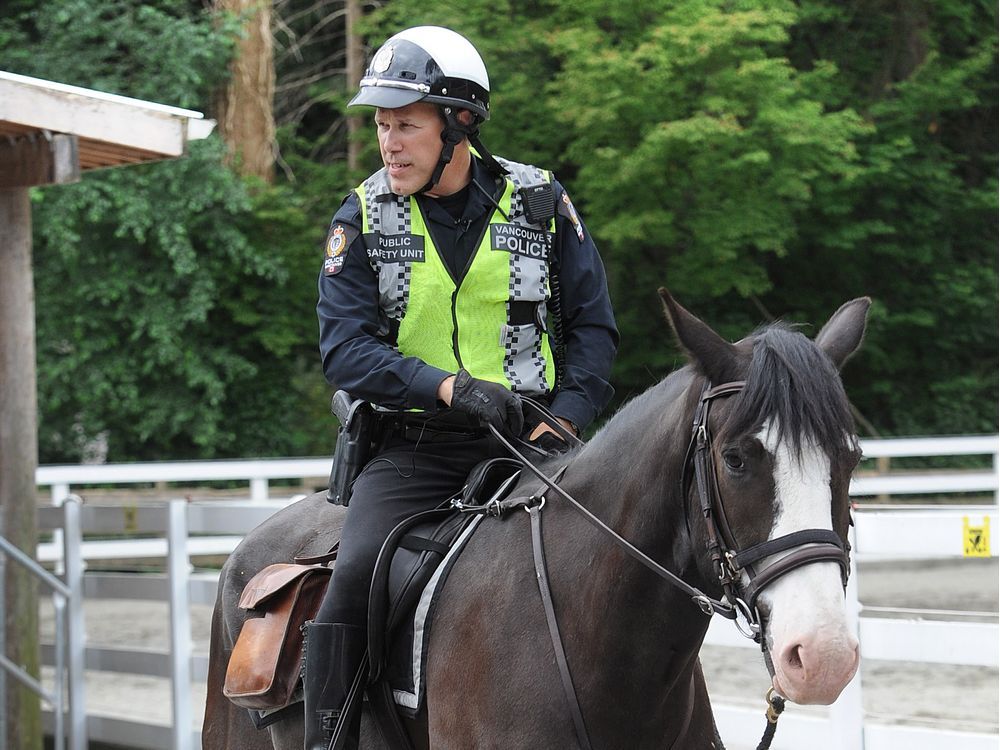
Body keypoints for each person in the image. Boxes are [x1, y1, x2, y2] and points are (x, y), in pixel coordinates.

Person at [306, 25, 618, 750]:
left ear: (461, 124)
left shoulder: (541, 201)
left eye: (406, 126)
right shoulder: (361, 216)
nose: (389, 144)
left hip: (535, 446)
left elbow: (595, 331)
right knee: (353, 574)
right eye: (383, 126)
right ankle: (329, 737)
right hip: (414, 451)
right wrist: (445, 387)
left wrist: (566, 419)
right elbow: (345, 350)